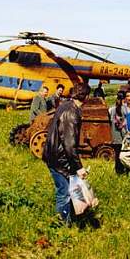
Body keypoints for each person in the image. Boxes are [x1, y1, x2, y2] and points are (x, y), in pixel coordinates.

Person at [42, 83, 91, 225]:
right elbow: (69, 144)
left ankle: (66, 219)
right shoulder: (71, 112)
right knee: (64, 193)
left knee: (65, 191)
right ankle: (63, 225)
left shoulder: (65, 105)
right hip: (59, 159)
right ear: (86, 96)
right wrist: (78, 167)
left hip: (54, 155)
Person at [109, 90, 127, 174]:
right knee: (125, 154)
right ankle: (125, 171)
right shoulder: (126, 109)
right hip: (124, 136)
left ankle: (118, 171)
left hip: (115, 136)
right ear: (125, 98)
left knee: (117, 154)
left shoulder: (111, 109)